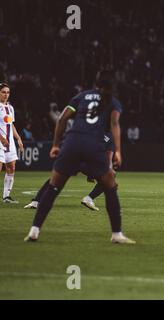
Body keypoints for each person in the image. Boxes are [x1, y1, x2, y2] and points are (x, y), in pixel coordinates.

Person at [24, 71, 135, 244]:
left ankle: (34, 230)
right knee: (111, 185)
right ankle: (116, 234)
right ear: (112, 86)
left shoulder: (81, 96)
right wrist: (118, 151)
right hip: (93, 145)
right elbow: (114, 124)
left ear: (95, 83)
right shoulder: (112, 101)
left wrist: (55, 144)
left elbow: (61, 119)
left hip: (72, 143)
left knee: (54, 186)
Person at [23, 133, 115, 211]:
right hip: (89, 162)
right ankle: (89, 198)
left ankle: (36, 201)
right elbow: (108, 158)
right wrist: (106, 172)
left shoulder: (90, 130)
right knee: (108, 179)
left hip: (75, 158)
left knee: (56, 178)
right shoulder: (110, 137)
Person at [0, 83, 24, 203]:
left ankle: (6, 196)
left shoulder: (10, 108)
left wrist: (18, 138)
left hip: (9, 142)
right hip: (0, 142)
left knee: (11, 167)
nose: (6, 95)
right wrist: (1, 138)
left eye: (8, 92)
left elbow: (11, 124)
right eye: (3, 92)